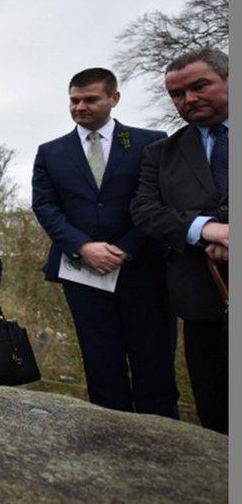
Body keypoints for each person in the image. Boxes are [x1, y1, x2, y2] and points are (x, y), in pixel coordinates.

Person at [32, 68, 178, 418]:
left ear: (114, 99)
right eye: (74, 100)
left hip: (143, 270)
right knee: (101, 364)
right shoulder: (51, 152)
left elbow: (161, 200)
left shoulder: (151, 142)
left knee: (154, 363)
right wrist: (83, 247)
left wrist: (126, 247)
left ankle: (164, 448)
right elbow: (45, 206)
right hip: (83, 274)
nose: (80, 107)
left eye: (90, 99)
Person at [131, 48, 230, 434]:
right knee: (216, 411)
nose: (188, 100)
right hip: (203, 300)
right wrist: (207, 229)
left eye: (199, 86)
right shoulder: (162, 153)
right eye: (177, 94)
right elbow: (145, 211)